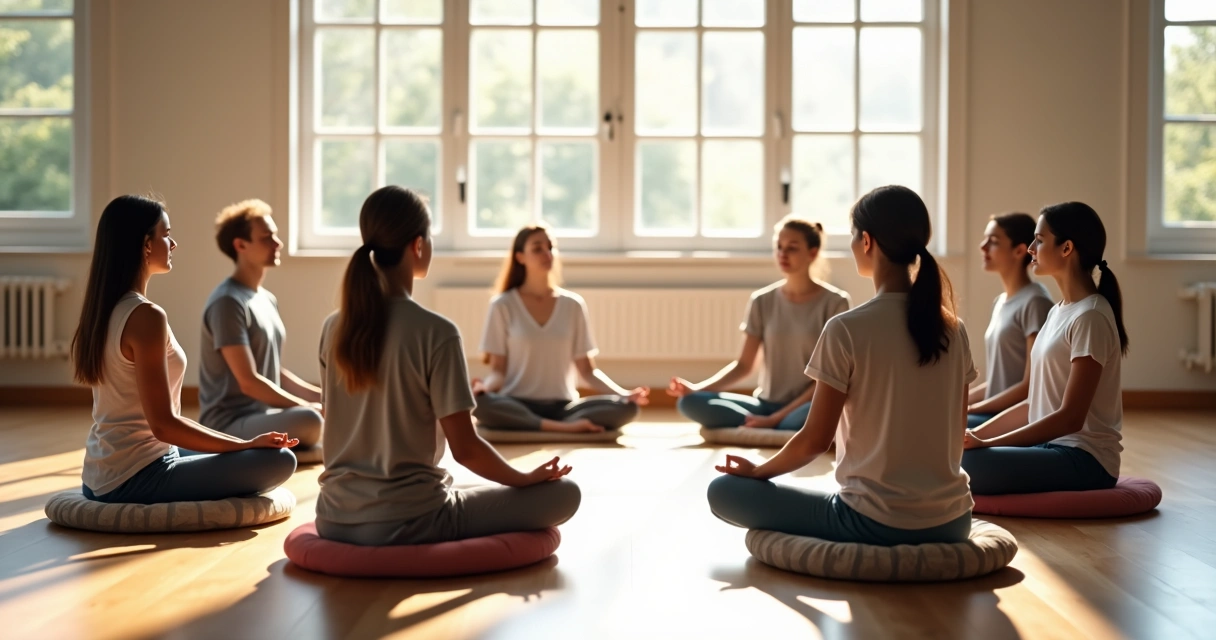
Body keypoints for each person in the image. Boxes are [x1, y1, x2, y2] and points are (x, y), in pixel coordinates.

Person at [707, 186, 975, 545]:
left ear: (867, 241)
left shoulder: (846, 328)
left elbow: (815, 441)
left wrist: (758, 471)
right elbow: (957, 432)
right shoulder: (954, 329)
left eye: (852, 235)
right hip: (953, 521)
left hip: (873, 521)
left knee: (724, 490)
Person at [315, 187, 580, 545]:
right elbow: (465, 449)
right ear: (418, 246)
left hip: (333, 516)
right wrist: (523, 478)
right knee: (565, 493)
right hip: (412, 519)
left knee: (468, 487)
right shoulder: (437, 332)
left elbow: (333, 421)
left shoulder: (334, 326)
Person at [71, 195, 296, 505]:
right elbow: (164, 425)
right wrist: (244, 445)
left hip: (103, 473)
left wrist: (243, 445)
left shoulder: (105, 310)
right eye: (166, 234)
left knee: (260, 451)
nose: (173, 243)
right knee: (281, 460)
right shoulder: (146, 316)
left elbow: (164, 426)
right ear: (146, 244)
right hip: (136, 475)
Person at [962, 202, 1128, 495]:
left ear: (1066, 248)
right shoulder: (1058, 311)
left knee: (967, 464)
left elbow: (1070, 417)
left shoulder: (1091, 316)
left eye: (1039, 240)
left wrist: (990, 444)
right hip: (1050, 447)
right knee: (955, 453)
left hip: (1085, 460)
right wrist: (977, 435)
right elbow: (1034, 404)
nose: (1031, 249)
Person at [669, 216, 850, 430]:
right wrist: (697, 390)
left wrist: (777, 418)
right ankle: (772, 425)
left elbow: (826, 378)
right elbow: (744, 366)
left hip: (807, 405)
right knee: (689, 403)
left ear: (812, 252)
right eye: (779, 247)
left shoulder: (836, 303)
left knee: (797, 421)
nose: (783, 254)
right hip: (764, 404)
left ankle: (777, 425)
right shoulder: (762, 300)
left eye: (792, 248)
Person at [471, 225, 649, 433]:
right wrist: (484, 388)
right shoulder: (502, 305)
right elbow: (498, 371)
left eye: (551, 247)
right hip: (517, 403)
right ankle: (561, 428)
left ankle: (548, 425)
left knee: (627, 409)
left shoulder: (573, 304)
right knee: (479, 404)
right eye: (537, 249)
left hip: (564, 407)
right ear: (520, 257)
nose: (547, 254)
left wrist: (624, 394)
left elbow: (587, 371)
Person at [199, 199, 323, 455]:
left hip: (264, 414)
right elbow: (249, 382)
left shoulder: (266, 299)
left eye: (275, 235)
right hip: (228, 424)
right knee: (311, 420)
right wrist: (307, 407)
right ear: (240, 245)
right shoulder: (227, 302)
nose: (278, 243)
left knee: (325, 409)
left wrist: (321, 398)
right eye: (267, 237)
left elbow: (272, 372)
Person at [966, 213, 1054, 429]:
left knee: (944, 426)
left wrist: (970, 410)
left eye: (993, 241)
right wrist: (960, 402)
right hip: (994, 411)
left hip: (1018, 418)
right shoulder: (1000, 302)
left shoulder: (1035, 302)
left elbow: (1029, 385)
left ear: (1020, 250)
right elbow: (999, 384)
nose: (983, 246)